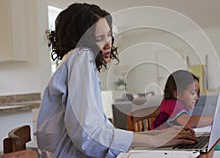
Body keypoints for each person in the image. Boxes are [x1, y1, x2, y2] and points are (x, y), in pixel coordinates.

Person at [36, 3, 197, 158]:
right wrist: (154, 140)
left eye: (109, 35)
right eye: (99, 38)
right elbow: (89, 137)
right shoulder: (81, 56)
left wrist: (157, 134)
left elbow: (101, 131)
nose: (108, 44)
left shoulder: (74, 62)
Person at [151, 70, 220, 130]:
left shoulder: (170, 104)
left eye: (197, 93)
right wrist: (219, 117)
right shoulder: (172, 105)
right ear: (177, 94)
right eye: (192, 93)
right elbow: (189, 122)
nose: (197, 97)